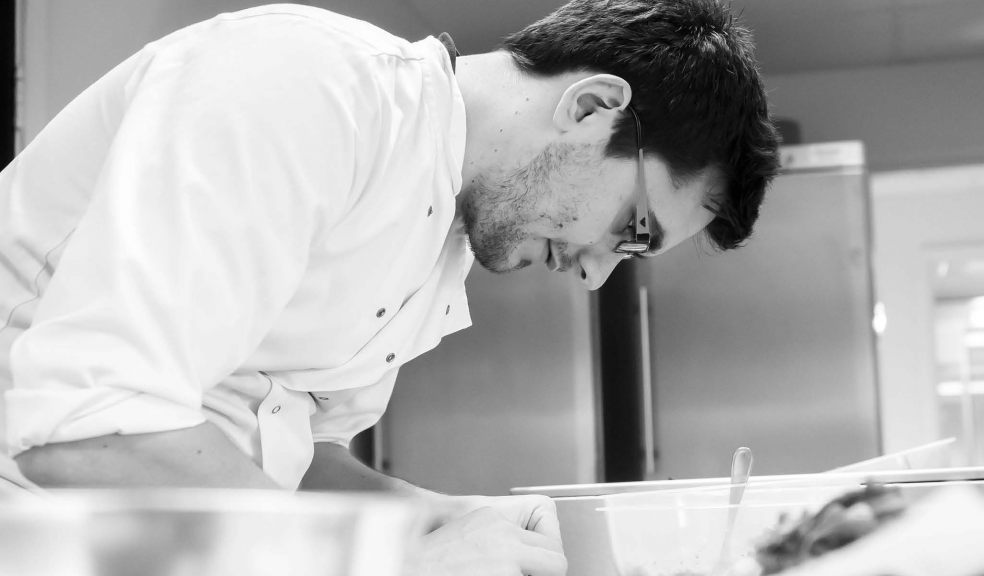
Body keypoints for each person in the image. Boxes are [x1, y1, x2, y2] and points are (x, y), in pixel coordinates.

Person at [0, 0, 779, 573]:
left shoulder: (441, 245)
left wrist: (451, 519)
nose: (593, 273)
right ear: (592, 108)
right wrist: (392, 567)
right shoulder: (309, 86)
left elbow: (289, 457)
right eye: (631, 229)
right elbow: (87, 432)